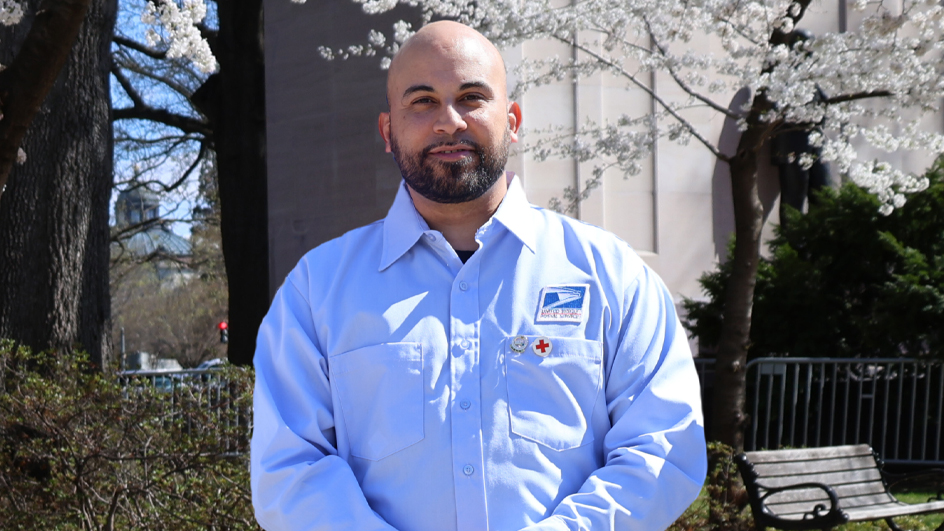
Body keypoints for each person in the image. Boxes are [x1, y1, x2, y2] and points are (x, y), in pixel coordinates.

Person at [251, 21, 707, 531]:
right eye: (421, 101)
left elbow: (663, 448)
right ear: (387, 131)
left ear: (512, 120)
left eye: (471, 97)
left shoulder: (613, 277)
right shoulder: (318, 290)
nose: (449, 122)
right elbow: (290, 468)